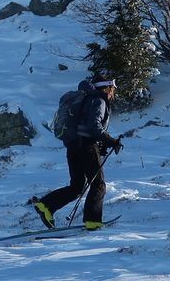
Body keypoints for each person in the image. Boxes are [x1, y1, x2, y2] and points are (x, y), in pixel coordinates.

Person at [30, 70, 123, 230]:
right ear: (106, 88)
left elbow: (86, 127)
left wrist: (102, 144)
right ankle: (93, 222)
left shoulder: (84, 99)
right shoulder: (98, 101)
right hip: (86, 146)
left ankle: (46, 206)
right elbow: (94, 127)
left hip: (73, 146)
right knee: (98, 185)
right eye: (112, 87)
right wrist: (111, 141)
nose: (113, 91)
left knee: (77, 186)